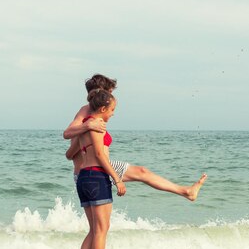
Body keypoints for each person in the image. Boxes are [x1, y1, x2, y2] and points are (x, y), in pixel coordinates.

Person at [64, 74, 207, 200]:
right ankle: (186, 192)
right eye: (110, 93)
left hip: (88, 172)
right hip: (93, 171)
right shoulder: (87, 112)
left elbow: (70, 153)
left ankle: (186, 192)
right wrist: (86, 127)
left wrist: (83, 139)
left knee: (142, 172)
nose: (111, 97)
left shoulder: (93, 116)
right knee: (141, 172)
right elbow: (68, 135)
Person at [73, 88, 125, 249]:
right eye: (112, 110)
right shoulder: (96, 125)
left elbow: (71, 151)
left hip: (84, 178)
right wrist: (117, 178)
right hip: (96, 177)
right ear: (103, 108)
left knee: (95, 229)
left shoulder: (85, 125)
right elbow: (100, 155)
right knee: (102, 229)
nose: (112, 114)